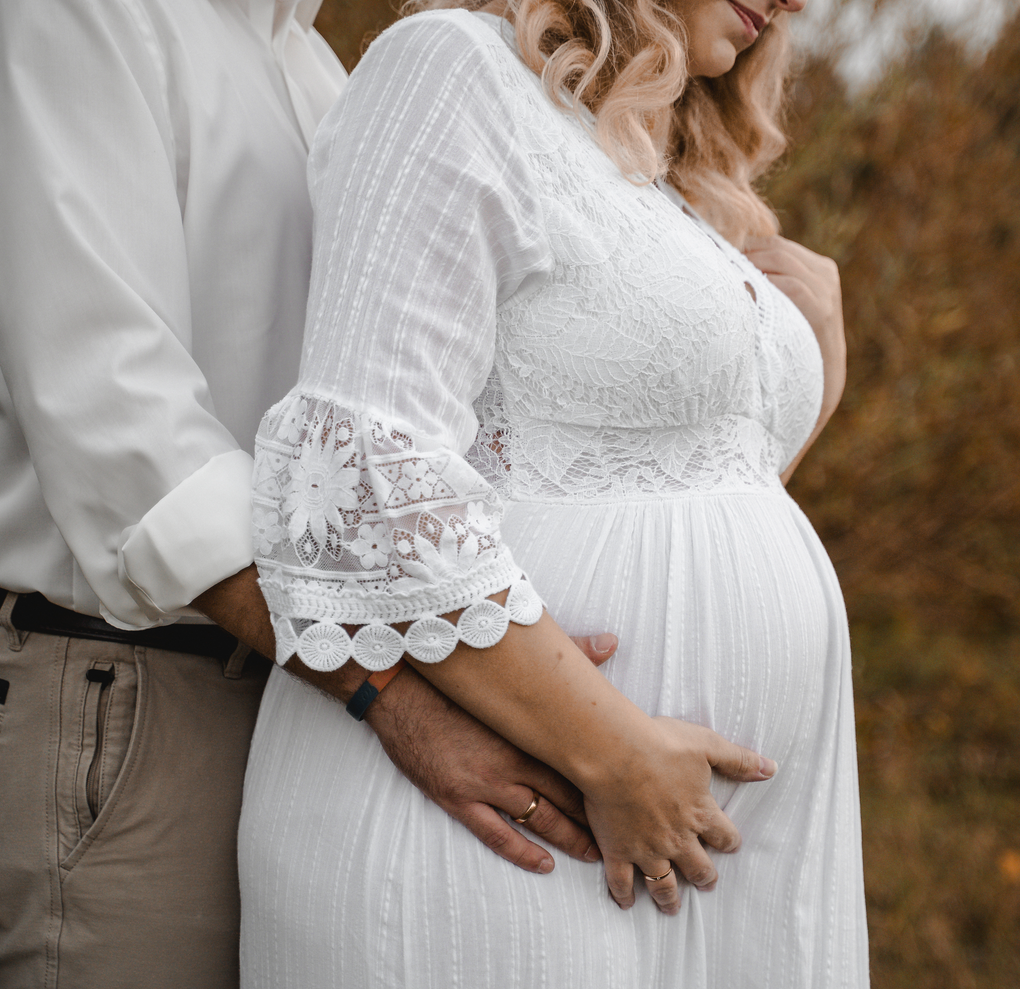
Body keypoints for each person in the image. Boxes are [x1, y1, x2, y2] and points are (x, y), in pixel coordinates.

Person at [0, 2, 766, 986]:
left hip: (303, 699)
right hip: (136, 694)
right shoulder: (87, 18)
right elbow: (123, 431)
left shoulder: (319, 69)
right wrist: (392, 691)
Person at [239, 0, 868, 984]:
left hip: (683, 837)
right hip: (525, 815)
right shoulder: (453, 70)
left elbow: (686, 496)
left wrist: (816, 362)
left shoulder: (668, 180)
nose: (794, 6)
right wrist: (613, 754)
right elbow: (357, 470)